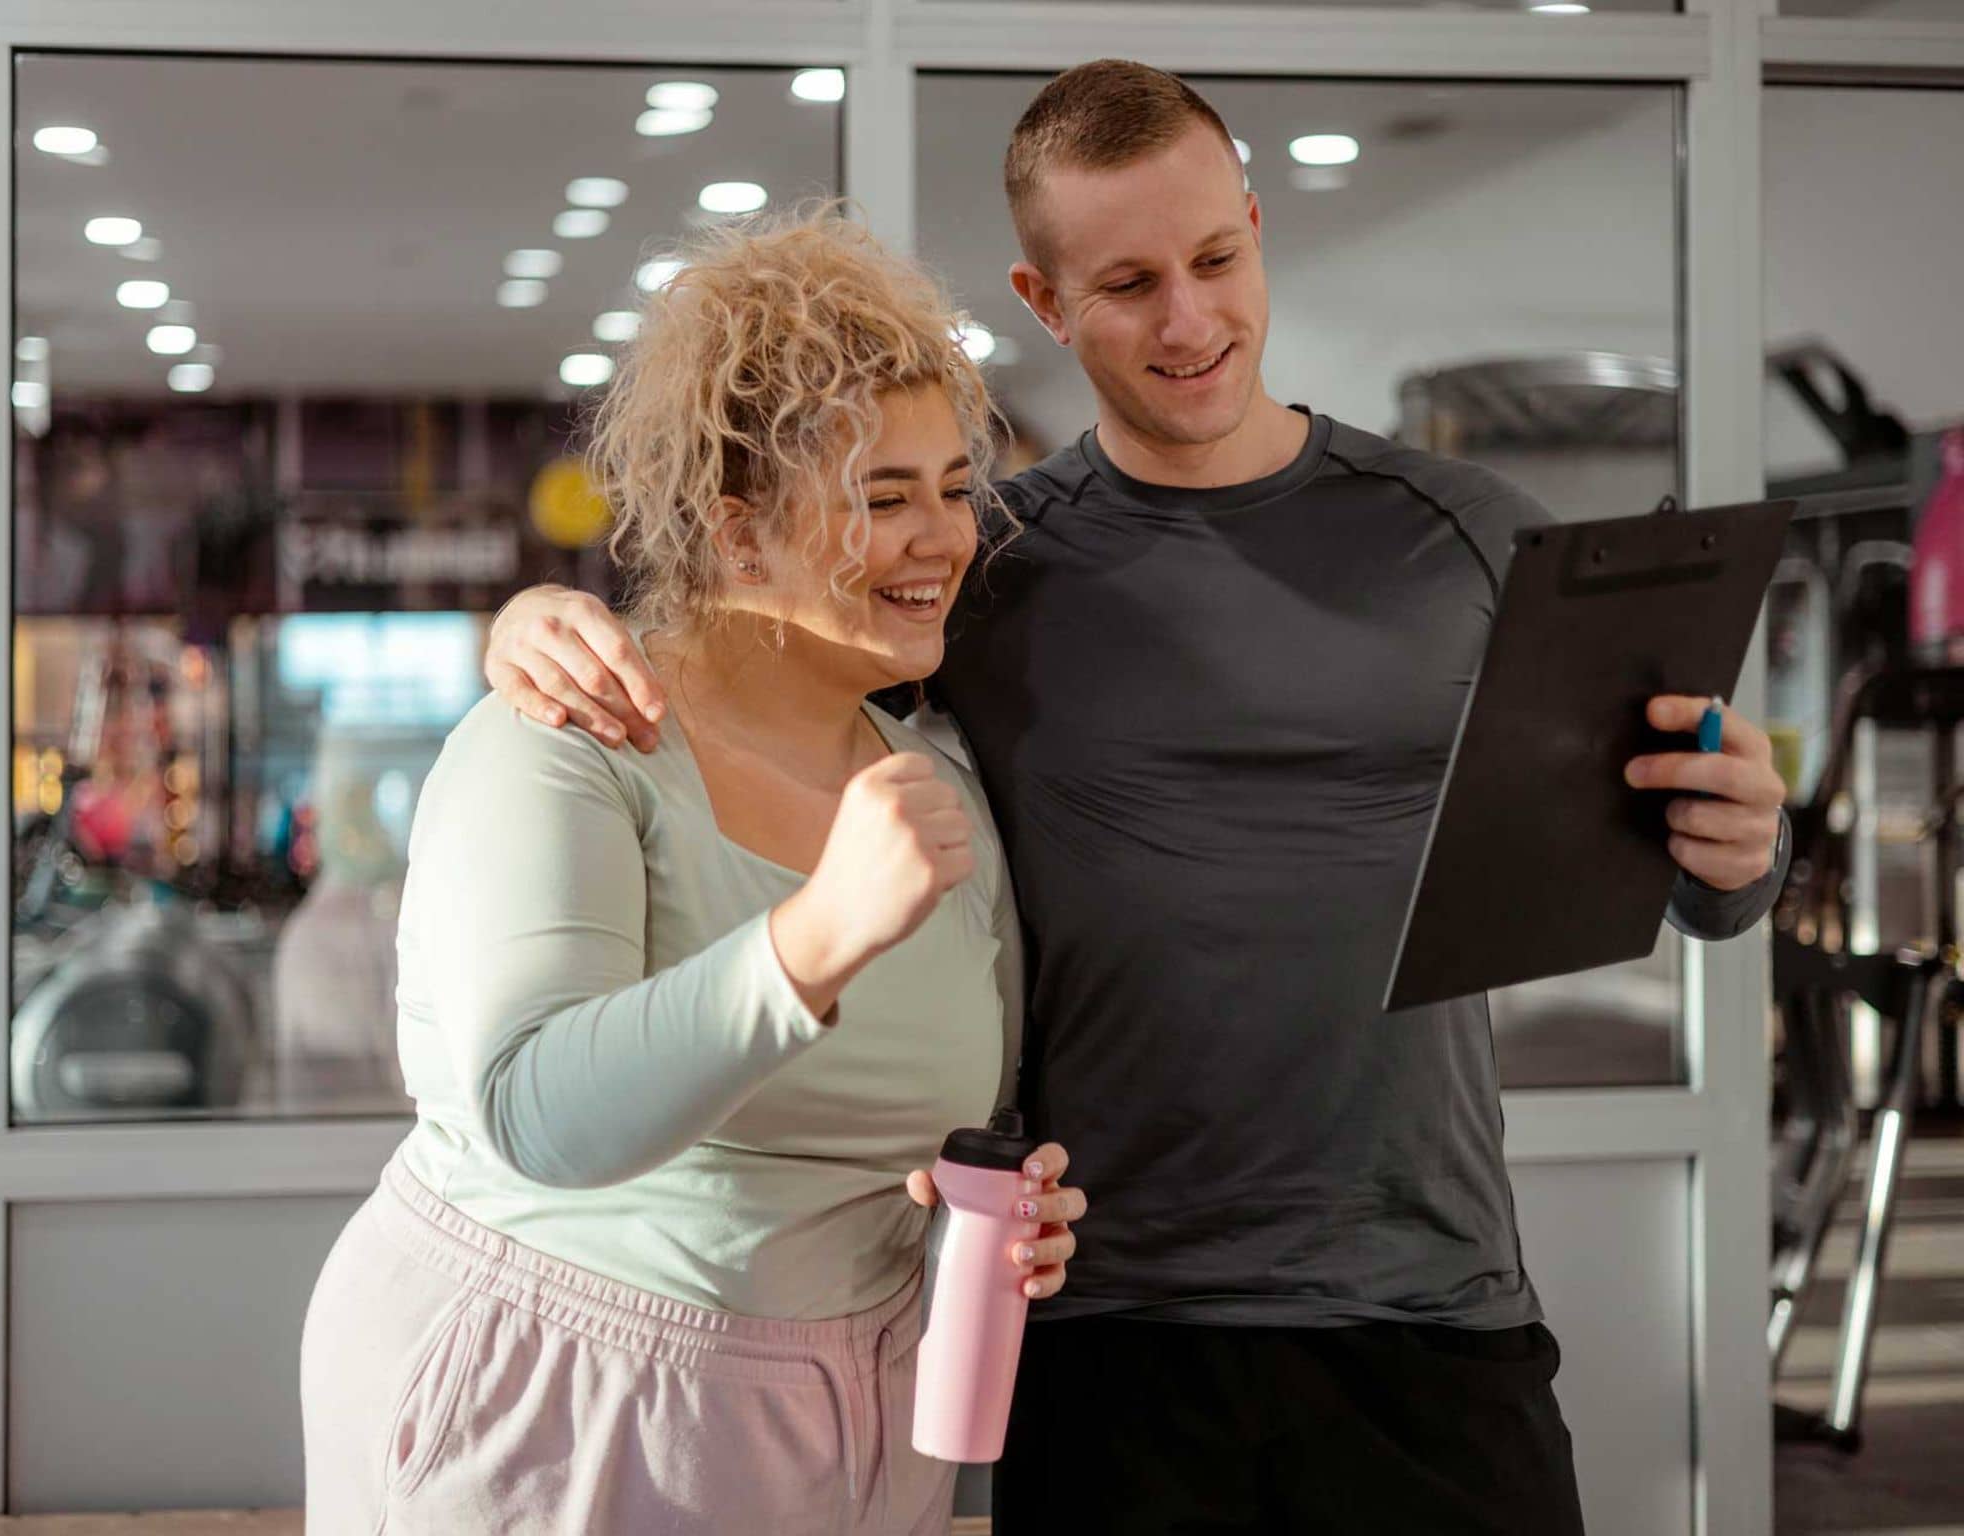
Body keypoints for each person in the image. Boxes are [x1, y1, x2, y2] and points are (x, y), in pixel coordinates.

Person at [482, 61, 1790, 1536]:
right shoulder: (982, 569)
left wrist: (1743, 848)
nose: (1190, 321)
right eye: (1129, 284)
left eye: (1217, 259)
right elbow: (753, 681)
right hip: (1102, 1339)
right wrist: (536, 617)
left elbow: (1684, 861)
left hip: (1427, 1317)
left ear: (1252, 221)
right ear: (1046, 303)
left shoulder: (1475, 540)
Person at [298, 207, 1088, 1536]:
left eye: (955, 488)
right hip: (550, 1410)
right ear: (738, 535)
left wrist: (998, 1209)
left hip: (855, 1428)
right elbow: (538, 1111)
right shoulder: (562, 738)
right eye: (882, 498)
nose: (942, 539)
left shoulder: (941, 785)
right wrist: (814, 937)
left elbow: (934, 1123)